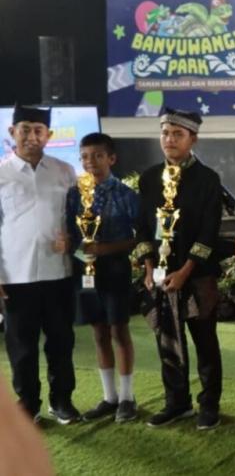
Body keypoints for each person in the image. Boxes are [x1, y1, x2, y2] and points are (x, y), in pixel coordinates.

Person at [134, 108, 225, 429]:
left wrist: (186, 271)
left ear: (193, 139)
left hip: (197, 276)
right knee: (167, 341)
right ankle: (177, 403)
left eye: (177, 134)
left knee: (205, 341)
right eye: (165, 133)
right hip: (160, 276)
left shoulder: (208, 179)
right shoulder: (149, 178)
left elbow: (209, 233)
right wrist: (149, 268)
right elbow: (142, 228)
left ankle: (209, 405)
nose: (169, 139)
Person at [0, 105, 79, 424]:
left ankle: (62, 402)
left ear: (49, 135)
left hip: (58, 272)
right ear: (12, 132)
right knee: (21, 346)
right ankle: (28, 404)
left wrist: (72, 240)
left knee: (61, 341)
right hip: (14, 275)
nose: (31, 136)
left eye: (38, 130)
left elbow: (79, 221)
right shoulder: (1, 174)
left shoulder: (65, 171)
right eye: (25, 129)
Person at [65, 132, 140, 424]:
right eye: (85, 157)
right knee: (98, 332)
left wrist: (106, 249)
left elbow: (140, 237)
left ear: (111, 158)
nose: (91, 162)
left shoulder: (125, 194)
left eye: (97, 156)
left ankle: (127, 397)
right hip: (84, 272)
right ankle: (109, 397)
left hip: (116, 271)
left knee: (119, 331)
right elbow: (70, 235)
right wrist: (77, 249)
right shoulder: (74, 195)